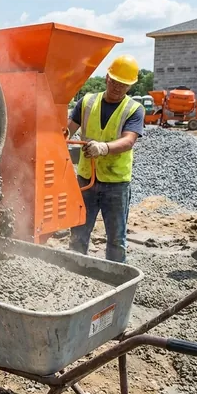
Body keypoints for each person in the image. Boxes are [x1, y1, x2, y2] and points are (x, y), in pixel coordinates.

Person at [66, 55, 145, 263]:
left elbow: (128, 141)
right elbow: (67, 130)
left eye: (124, 85)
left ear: (130, 86)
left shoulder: (134, 109)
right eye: (115, 82)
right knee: (78, 235)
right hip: (86, 181)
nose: (118, 87)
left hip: (116, 184)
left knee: (116, 239)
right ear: (107, 78)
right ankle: (74, 275)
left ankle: (116, 279)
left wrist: (103, 148)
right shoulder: (87, 102)